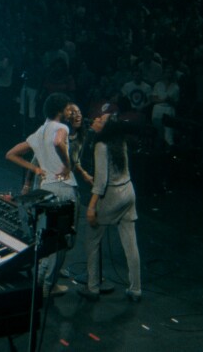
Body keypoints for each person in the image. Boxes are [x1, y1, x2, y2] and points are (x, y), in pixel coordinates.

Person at [5, 92, 77, 297]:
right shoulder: (61, 127)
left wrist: (35, 169)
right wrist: (67, 164)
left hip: (45, 188)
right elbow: (58, 142)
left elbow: (10, 154)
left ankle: (40, 283)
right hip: (63, 188)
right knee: (61, 239)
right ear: (60, 110)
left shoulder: (39, 131)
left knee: (46, 238)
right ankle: (48, 286)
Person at [78, 115, 142, 302]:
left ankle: (93, 287)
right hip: (129, 192)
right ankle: (136, 289)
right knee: (130, 244)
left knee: (91, 240)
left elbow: (101, 181)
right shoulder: (119, 141)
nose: (96, 119)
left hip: (112, 196)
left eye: (100, 120)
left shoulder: (101, 146)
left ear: (105, 128)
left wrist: (91, 207)